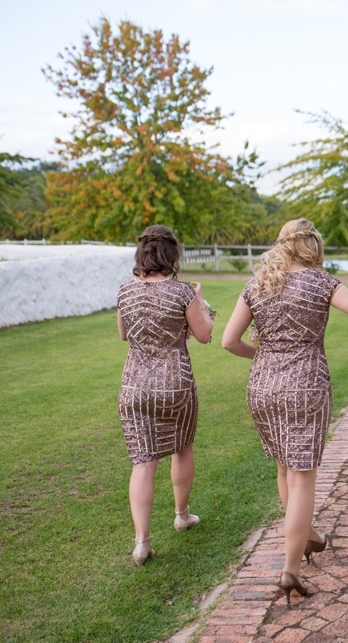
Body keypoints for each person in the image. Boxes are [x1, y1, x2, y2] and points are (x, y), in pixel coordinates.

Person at [221, 218, 348, 604]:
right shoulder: (322, 282)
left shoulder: (258, 285)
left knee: (284, 468)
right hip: (305, 385)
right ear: (312, 246)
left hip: (262, 388)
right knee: (301, 477)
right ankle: (290, 570)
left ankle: (310, 537)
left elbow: (229, 341)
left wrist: (264, 356)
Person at [117, 225, 214, 567]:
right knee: (182, 447)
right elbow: (203, 335)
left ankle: (142, 542)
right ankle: (181, 514)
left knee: (143, 462)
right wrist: (201, 303)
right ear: (172, 255)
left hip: (134, 387)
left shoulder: (125, 291)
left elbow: (123, 334)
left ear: (142, 253)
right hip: (175, 384)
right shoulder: (183, 292)